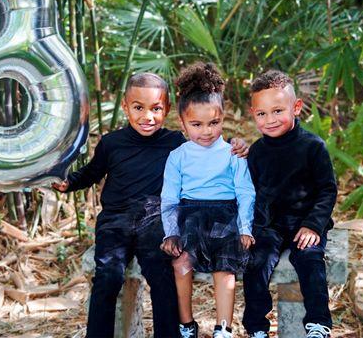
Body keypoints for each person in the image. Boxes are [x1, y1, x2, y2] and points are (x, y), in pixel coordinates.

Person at [52, 72, 248, 337]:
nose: (148, 116)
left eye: (156, 108)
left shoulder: (176, 143)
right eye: (138, 108)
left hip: (155, 218)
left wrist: (239, 145)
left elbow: (209, 151)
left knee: (160, 272)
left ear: (166, 109)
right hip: (115, 219)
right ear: (125, 107)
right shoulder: (112, 143)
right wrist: (68, 183)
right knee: (108, 275)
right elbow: (92, 173)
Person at [160, 62, 255, 338]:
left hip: (226, 215)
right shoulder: (178, 156)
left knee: (225, 269)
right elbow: (169, 196)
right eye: (196, 124)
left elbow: (245, 191)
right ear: (183, 123)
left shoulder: (232, 153)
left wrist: (246, 226)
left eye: (214, 122)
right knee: (181, 263)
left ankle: (223, 327)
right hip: (189, 216)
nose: (207, 131)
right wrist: (171, 232)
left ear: (223, 118)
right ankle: (187, 324)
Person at [242, 70, 337, 338]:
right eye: (262, 114)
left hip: (304, 222)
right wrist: (251, 228)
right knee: (257, 262)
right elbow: (252, 191)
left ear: (296, 108)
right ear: (253, 114)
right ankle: (257, 328)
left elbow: (327, 190)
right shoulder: (257, 152)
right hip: (269, 223)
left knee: (310, 259)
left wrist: (313, 225)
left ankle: (318, 324)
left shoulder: (312, 146)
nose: (270, 120)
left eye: (277, 111)